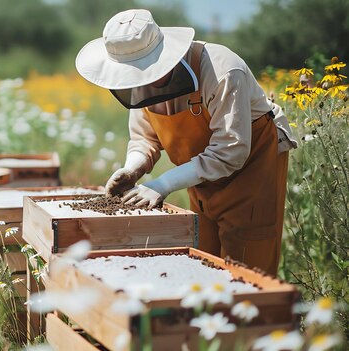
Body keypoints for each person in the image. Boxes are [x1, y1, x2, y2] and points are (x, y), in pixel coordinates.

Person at [75, 9, 297, 276]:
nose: (141, 82)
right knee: (203, 262)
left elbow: (230, 151)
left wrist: (162, 184)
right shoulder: (138, 82)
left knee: (247, 271)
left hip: (251, 172)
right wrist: (132, 169)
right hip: (201, 179)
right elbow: (144, 138)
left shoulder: (223, 70)